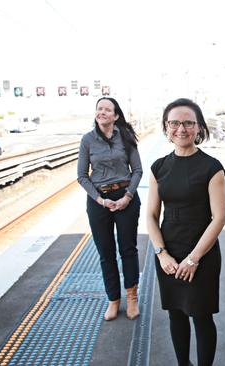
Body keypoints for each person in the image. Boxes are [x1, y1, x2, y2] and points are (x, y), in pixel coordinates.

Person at [147, 98, 225, 366]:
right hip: (168, 252)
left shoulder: (211, 167)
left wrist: (193, 259)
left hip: (201, 253)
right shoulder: (159, 167)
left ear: (198, 127)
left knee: (201, 316)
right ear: (166, 127)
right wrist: (162, 255)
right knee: (175, 314)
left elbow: (219, 218)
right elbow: (151, 215)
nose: (181, 128)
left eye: (188, 122)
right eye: (175, 123)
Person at [77, 97, 142, 321]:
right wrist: (100, 200)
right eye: (99, 109)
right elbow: (82, 176)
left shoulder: (125, 137)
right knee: (106, 253)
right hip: (99, 202)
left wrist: (127, 197)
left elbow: (137, 170)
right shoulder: (87, 140)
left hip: (126, 197)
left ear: (115, 116)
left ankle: (132, 297)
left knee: (128, 249)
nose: (102, 112)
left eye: (107, 109)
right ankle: (113, 300)